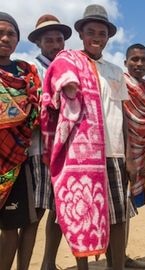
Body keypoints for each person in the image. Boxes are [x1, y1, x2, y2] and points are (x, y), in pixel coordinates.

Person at [40, 4, 135, 270]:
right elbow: (55, 88)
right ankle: (82, 268)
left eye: (101, 33)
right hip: (80, 156)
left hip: (114, 154)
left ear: (108, 37)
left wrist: (129, 156)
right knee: (82, 215)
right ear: (81, 34)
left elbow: (122, 115)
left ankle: (116, 266)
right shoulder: (68, 62)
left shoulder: (116, 72)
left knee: (118, 217)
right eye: (90, 31)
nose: (96, 37)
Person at [27, 14, 72, 270]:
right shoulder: (32, 69)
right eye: (49, 40)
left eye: (59, 40)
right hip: (37, 151)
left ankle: (48, 263)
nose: (55, 45)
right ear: (38, 43)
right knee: (35, 212)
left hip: (64, 151)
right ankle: (23, 262)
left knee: (58, 210)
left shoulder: (69, 68)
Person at [0, 12, 40, 270]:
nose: (5, 38)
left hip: (17, 158)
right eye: (0, 32)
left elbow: (36, 111)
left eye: (11, 33)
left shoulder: (26, 74)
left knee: (14, 224)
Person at [122, 43, 145, 268]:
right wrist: (127, 157)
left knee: (125, 208)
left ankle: (120, 255)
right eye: (134, 59)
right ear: (126, 62)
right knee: (116, 209)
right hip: (119, 153)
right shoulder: (120, 83)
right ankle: (116, 258)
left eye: (143, 60)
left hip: (140, 154)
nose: (139, 64)